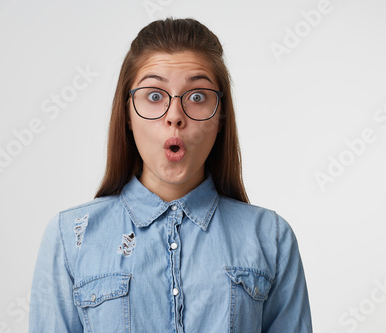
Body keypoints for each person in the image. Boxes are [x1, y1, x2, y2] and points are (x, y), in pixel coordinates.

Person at [29, 18, 312, 332]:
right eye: (154, 96)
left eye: (196, 96)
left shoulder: (270, 237)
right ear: (127, 115)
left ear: (220, 116)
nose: (175, 117)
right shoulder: (71, 237)